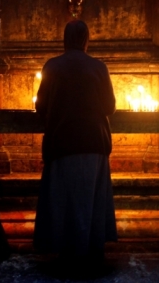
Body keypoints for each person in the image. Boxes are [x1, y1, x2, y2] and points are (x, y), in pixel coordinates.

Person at [33, 19, 117, 271]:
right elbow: (110, 106)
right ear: (86, 40)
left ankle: (66, 250)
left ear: (65, 39)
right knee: (91, 198)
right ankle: (92, 249)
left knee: (64, 199)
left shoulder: (52, 66)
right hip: (93, 141)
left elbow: (40, 106)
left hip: (62, 142)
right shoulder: (98, 67)